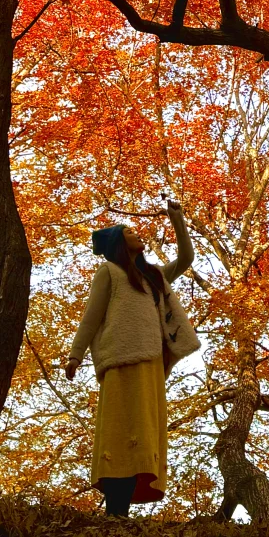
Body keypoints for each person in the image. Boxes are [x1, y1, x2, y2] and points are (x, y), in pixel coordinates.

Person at [65, 198, 198, 517]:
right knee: (118, 431)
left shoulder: (154, 276)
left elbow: (186, 257)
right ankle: (115, 511)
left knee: (143, 433)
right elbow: (92, 317)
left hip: (151, 364)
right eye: (130, 232)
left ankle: (121, 514)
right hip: (118, 361)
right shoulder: (109, 272)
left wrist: (177, 219)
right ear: (117, 243)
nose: (138, 234)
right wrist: (75, 355)